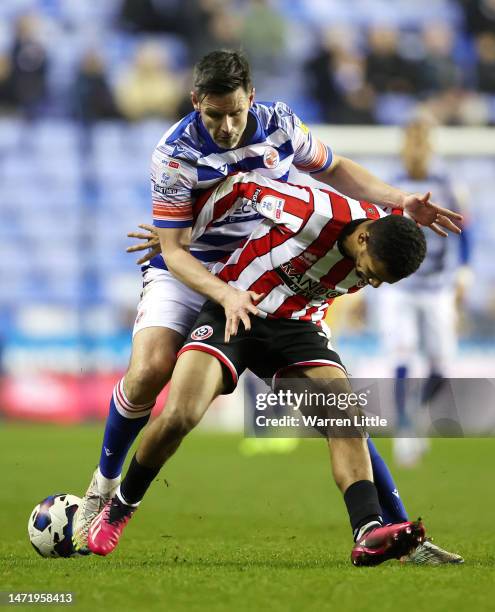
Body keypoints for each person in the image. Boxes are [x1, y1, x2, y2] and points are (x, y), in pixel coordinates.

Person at [73, 50, 462, 563]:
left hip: (286, 314)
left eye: (236, 112)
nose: (229, 125)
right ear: (196, 103)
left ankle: (380, 530)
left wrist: (400, 200)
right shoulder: (178, 156)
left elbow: (337, 166)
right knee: (154, 375)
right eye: (215, 115)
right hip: (203, 270)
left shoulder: (281, 126)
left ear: (251, 98)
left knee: (342, 413)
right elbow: (217, 210)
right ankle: (107, 491)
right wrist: (186, 236)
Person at [376, 118, 471, 466]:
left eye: (422, 139)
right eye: (411, 139)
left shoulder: (447, 182)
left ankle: (414, 414)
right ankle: (404, 431)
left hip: (438, 287)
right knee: (401, 356)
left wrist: (464, 271)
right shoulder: (392, 182)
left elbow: (465, 228)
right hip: (399, 286)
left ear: (430, 143)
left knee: (441, 364)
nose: (416, 146)